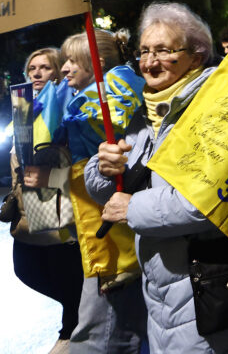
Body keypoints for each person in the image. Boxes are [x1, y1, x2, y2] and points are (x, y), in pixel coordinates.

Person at [88, 3, 228, 352]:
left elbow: (207, 201)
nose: (150, 62)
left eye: (164, 51)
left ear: (196, 57)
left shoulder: (215, 109)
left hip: (209, 291)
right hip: (160, 294)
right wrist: (104, 170)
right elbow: (113, 188)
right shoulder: (144, 113)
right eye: (145, 51)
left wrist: (132, 207)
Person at [30, 29, 149, 353]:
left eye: (71, 60)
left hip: (111, 234)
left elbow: (112, 157)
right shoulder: (82, 97)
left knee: (102, 334)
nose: (64, 68)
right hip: (87, 221)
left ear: (94, 62)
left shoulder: (111, 95)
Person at [3, 48, 83, 353]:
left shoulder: (64, 106)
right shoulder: (23, 107)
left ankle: (70, 333)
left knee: (66, 278)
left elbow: (76, 163)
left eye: (45, 67)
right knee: (26, 269)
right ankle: (77, 321)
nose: (37, 73)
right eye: (32, 68)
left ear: (59, 71)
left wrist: (51, 178)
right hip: (26, 211)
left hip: (57, 209)